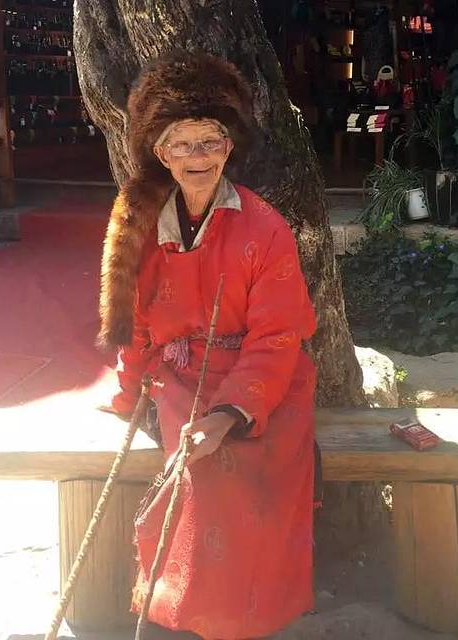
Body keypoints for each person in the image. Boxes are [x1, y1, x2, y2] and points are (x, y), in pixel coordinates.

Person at [98, 51, 317, 640]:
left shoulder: (265, 226)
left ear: (229, 147)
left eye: (210, 141)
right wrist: (128, 393)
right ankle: (188, 614)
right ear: (161, 152)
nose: (198, 157)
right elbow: (133, 324)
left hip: (262, 377)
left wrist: (227, 414)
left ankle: (248, 617)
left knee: (256, 470)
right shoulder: (141, 223)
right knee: (198, 472)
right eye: (182, 143)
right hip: (179, 374)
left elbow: (279, 333)